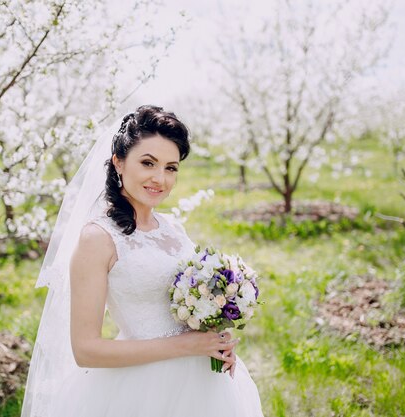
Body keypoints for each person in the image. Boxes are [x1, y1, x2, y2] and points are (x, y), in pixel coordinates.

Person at [22, 105, 263, 417]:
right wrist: (188, 346)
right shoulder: (97, 239)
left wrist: (215, 335)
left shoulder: (173, 229)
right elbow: (86, 350)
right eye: (148, 163)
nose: (159, 179)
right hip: (142, 389)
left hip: (204, 384)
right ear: (119, 162)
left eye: (171, 167)